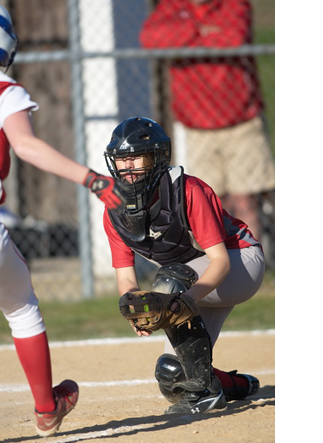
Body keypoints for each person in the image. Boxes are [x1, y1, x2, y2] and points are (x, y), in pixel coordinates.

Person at [0, 1, 126, 437]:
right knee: (21, 308)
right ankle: (46, 407)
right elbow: (27, 148)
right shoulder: (1, 87)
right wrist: (92, 180)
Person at [102, 116, 265, 414]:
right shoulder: (114, 212)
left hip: (240, 262)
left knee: (170, 282)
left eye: (137, 156)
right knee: (173, 376)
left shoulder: (186, 190)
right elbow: (126, 278)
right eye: (123, 158)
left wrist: (187, 300)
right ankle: (231, 386)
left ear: (157, 157)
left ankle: (203, 393)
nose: (129, 166)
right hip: (193, 277)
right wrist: (133, 308)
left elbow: (219, 261)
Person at [139, 0, 275, 242]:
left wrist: (182, 37)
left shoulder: (233, 4)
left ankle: (253, 266)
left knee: (246, 201)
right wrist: (202, 28)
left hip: (240, 119)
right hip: (197, 125)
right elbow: (151, 39)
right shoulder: (172, 6)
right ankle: (221, 268)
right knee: (208, 204)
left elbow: (233, 38)